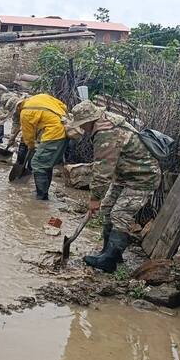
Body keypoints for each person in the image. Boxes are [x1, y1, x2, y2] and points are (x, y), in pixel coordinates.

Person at [65, 100, 161, 272]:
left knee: (119, 215)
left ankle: (109, 261)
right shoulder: (105, 119)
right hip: (125, 174)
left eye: (81, 125)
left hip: (142, 177)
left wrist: (94, 199)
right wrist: (99, 201)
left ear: (88, 121)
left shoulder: (106, 133)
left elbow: (102, 171)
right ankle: (109, 252)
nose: (82, 129)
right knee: (107, 208)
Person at [18, 93, 68, 200]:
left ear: (18, 107)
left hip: (54, 134)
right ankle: (43, 191)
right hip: (65, 127)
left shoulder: (24, 113)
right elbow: (64, 106)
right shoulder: (41, 97)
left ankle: (41, 197)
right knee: (46, 164)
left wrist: (31, 146)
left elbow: (28, 136)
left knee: (37, 163)